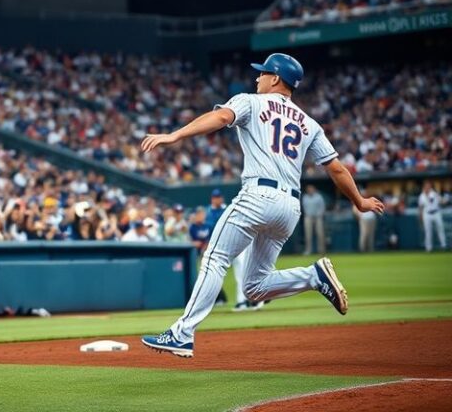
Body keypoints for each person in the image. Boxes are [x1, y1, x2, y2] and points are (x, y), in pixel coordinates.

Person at [140, 53, 384, 357]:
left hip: (258, 195)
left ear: (276, 79)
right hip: (290, 208)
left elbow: (219, 118)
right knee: (254, 287)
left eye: (263, 73)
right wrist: (358, 200)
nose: (257, 78)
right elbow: (335, 168)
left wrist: (174, 135)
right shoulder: (309, 123)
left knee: (215, 258)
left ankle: (182, 333)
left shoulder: (250, 102)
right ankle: (313, 276)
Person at [418, 181, 447, 252]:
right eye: (426, 186)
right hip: (427, 214)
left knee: (440, 228)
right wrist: (420, 218)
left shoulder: (434, 193)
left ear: (430, 186)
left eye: (429, 185)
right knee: (428, 231)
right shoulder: (421, 196)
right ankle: (428, 248)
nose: (427, 187)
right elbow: (420, 208)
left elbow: (442, 201)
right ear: (424, 187)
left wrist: (445, 200)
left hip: (436, 212)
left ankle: (444, 246)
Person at [301, 185, 326, 255]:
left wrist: (319, 215)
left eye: (311, 189)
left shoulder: (319, 197)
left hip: (318, 217)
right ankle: (308, 250)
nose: (310, 190)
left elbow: (322, 207)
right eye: (308, 189)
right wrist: (308, 214)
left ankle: (321, 250)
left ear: (314, 189)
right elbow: (304, 207)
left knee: (320, 234)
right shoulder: (305, 197)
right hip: (308, 217)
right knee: (308, 235)